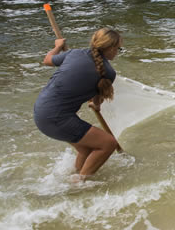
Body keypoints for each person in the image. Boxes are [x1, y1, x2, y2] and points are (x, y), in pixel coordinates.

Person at [34, 28, 123, 180]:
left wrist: (57, 46)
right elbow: (97, 99)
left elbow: (47, 60)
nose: (117, 52)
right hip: (57, 118)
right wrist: (96, 105)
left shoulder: (73, 53)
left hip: (41, 112)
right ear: (111, 48)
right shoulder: (109, 73)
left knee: (87, 149)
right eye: (118, 49)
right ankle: (79, 183)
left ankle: (71, 177)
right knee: (109, 143)